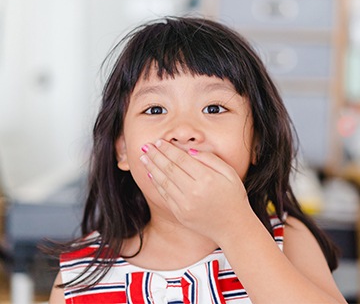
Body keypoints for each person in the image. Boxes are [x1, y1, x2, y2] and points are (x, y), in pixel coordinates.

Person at [49, 16, 347, 304]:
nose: (183, 131)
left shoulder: (286, 239)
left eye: (214, 108)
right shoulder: (80, 277)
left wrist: (234, 226)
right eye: (155, 110)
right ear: (122, 150)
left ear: (257, 143)